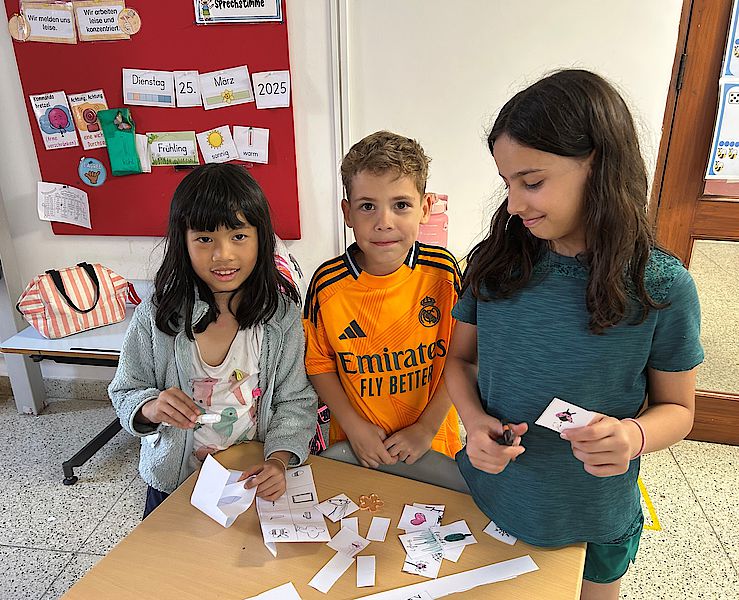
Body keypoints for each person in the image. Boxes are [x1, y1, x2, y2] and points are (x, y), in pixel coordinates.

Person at [444, 70, 703, 600]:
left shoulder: (660, 286)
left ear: (599, 166)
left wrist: (632, 437)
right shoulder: (494, 264)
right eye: (508, 183)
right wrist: (474, 422)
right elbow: (459, 361)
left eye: (532, 182)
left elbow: (678, 409)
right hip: (491, 494)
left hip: (594, 516)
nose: (514, 204)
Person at [109, 163, 317, 518]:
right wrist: (151, 407)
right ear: (183, 242)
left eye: (239, 236)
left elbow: (295, 401)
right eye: (205, 239)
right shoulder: (157, 316)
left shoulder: (279, 318)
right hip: (175, 482)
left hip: (248, 479)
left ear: (261, 238)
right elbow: (126, 390)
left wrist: (279, 460)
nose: (223, 255)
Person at [303, 131, 463, 469]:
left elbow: (462, 356)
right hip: (357, 448)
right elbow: (319, 364)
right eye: (367, 207)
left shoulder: (444, 273)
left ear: (425, 208)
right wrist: (353, 426)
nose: (384, 223)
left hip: (433, 444)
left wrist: (426, 427)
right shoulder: (326, 285)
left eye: (401, 205)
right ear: (347, 212)